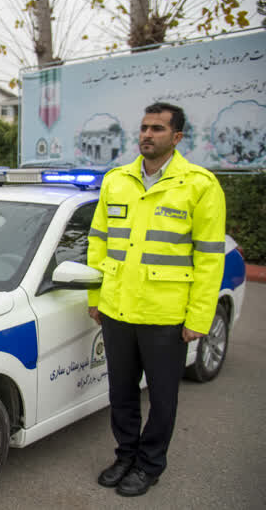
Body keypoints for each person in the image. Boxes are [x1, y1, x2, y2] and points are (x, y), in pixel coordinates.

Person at [87, 102, 226, 497]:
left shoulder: (199, 185)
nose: (147, 134)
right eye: (144, 127)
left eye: (158, 129)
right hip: (116, 309)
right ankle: (125, 456)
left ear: (177, 137)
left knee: (163, 399)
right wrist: (95, 296)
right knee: (121, 394)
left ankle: (149, 465)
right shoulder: (116, 181)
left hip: (166, 314)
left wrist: (199, 316)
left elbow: (209, 256)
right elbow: (98, 244)